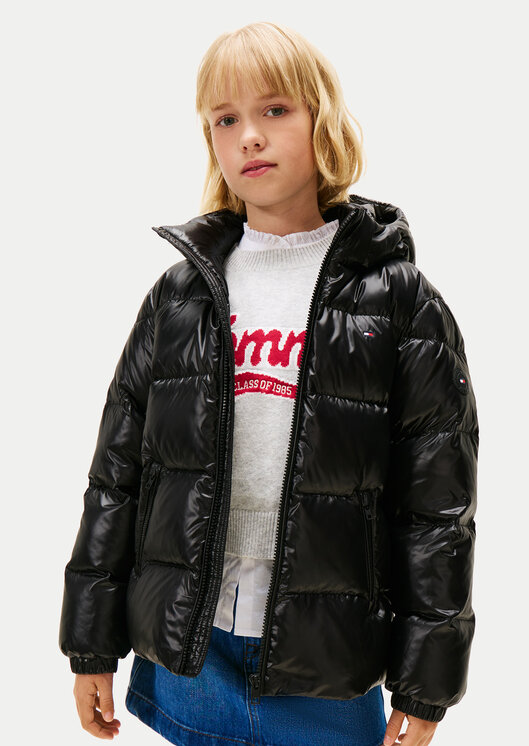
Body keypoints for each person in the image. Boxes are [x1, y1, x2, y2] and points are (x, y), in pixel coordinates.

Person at [59, 21, 479, 746]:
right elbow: (116, 478)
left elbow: (437, 510)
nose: (249, 136)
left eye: (275, 110)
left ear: (323, 120)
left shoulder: (401, 303)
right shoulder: (180, 296)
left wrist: (426, 684)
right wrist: (91, 644)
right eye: (226, 119)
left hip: (328, 659)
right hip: (191, 647)